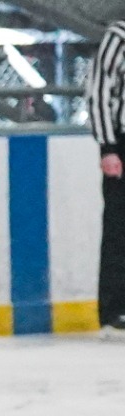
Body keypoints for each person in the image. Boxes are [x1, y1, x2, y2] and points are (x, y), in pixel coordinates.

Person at [91, 20, 125, 340]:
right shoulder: (118, 35)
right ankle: (114, 309)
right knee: (119, 227)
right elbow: (101, 92)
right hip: (123, 144)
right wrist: (109, 147)